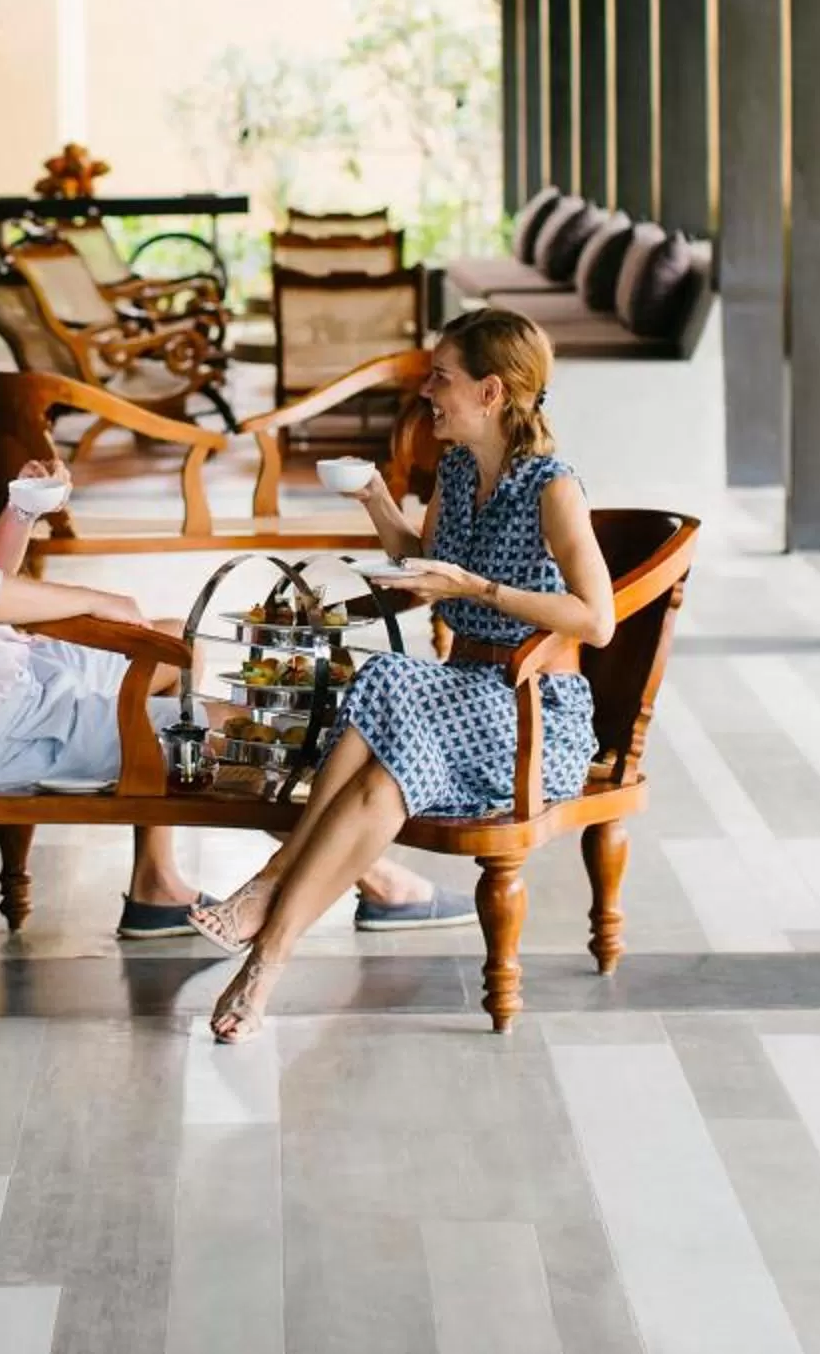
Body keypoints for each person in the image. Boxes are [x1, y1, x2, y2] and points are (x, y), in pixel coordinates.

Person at [0, 308, 456, 939]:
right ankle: (380, 881)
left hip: (19, 675)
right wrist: (91, 601)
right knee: (243, 737)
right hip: (2, 726)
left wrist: (21, 511)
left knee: (172, 642)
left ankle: (156, 884)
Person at [189, 308, 613, 1041]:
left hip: (531, 709)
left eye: (441, 379)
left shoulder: (553, 488)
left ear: (490, 392)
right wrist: (375, 499)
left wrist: (477, 590)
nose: (427, 393)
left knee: (386, 678)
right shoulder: (456, 468)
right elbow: (423, 560)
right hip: (458, 695)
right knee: (382, 784)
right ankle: (264, 967)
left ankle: (272, 883)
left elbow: (596, 619)